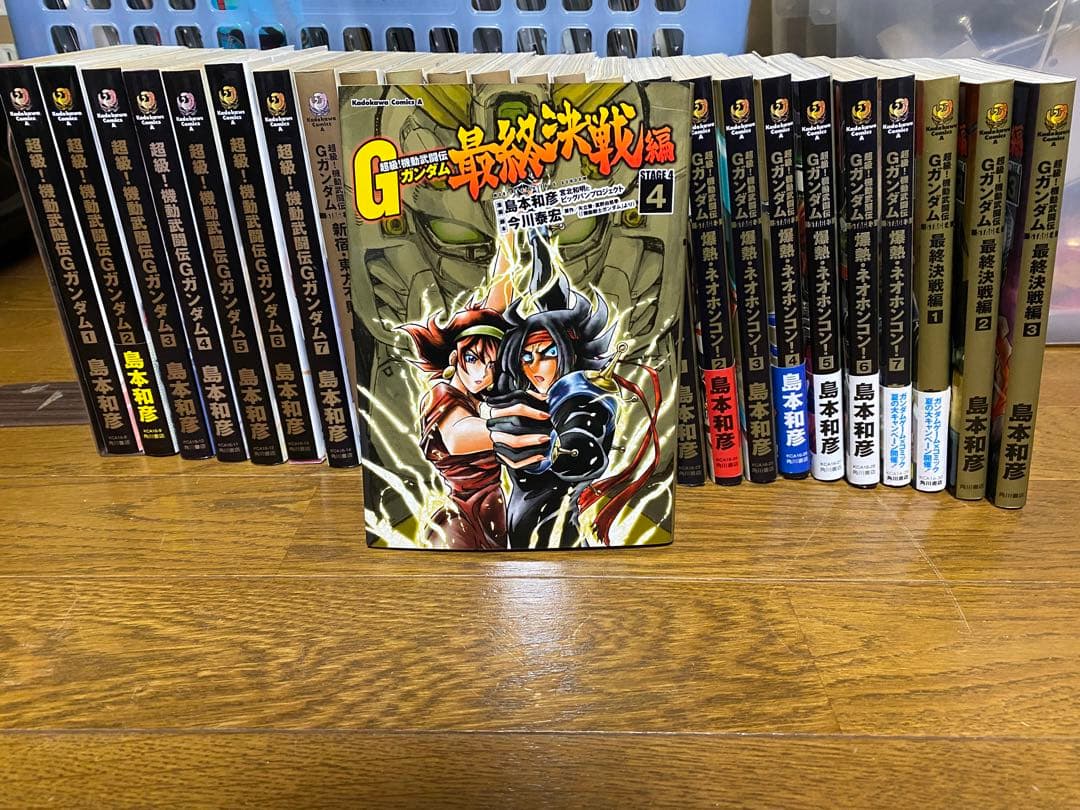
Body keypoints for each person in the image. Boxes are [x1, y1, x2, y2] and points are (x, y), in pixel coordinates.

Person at [400, 306, 510, 550]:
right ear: (454, 358)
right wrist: (530, 425)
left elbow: (497, 302)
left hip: (494, 515)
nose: (481, 374)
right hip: (460, 520)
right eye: (472, 359)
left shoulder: (477, 400)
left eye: (492, 365)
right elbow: (458, 437)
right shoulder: (441, 395)